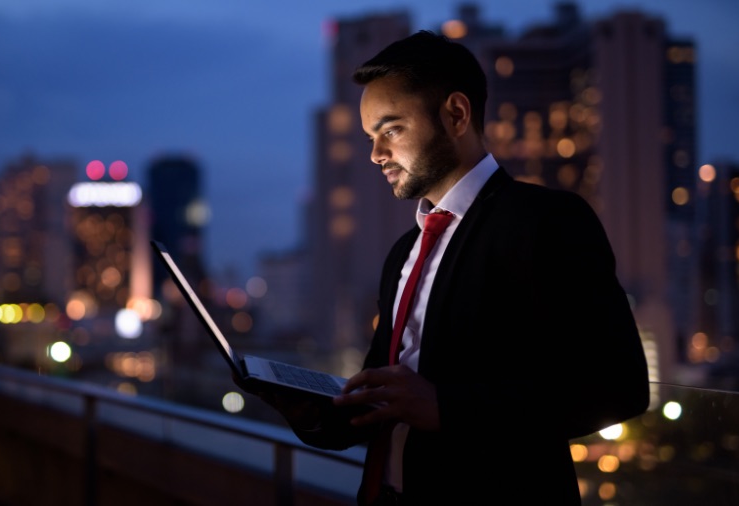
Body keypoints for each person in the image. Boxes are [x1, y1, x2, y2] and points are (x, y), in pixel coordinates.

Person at [247, 30, 650, 505]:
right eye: (370, 137)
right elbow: (385, 401)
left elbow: (618, 388)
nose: (376, 154)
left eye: (391, 129)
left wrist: (445, 407)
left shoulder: (546, 220)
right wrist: (308, 409)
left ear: (456, 114)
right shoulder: (405, 251)